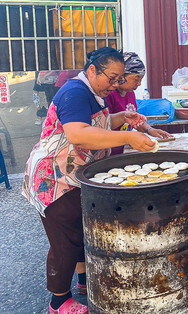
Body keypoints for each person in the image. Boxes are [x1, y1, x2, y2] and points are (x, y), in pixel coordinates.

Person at [22, 47, 157, 314]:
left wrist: (121, 119)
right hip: (54, 179)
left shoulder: (95, 92)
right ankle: (59, 302)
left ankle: (85, 282)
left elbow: (97, 124)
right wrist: (128, 137)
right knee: (66, 240)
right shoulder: (75, 92)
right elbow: (78, 133)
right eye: (113, 77)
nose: (116, 85)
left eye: (120, 79)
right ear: (93, 70)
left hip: (76, 176)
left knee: (82, 230)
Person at [105, 51, 172, 155]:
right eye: (136, 79)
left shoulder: (130, 93)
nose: (139, 83)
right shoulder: (109, 94)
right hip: (109, 151)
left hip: (124, 149)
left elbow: (134, 120)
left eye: (141, 79)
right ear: (122, 76)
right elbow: (104, 125)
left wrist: (150, 129)